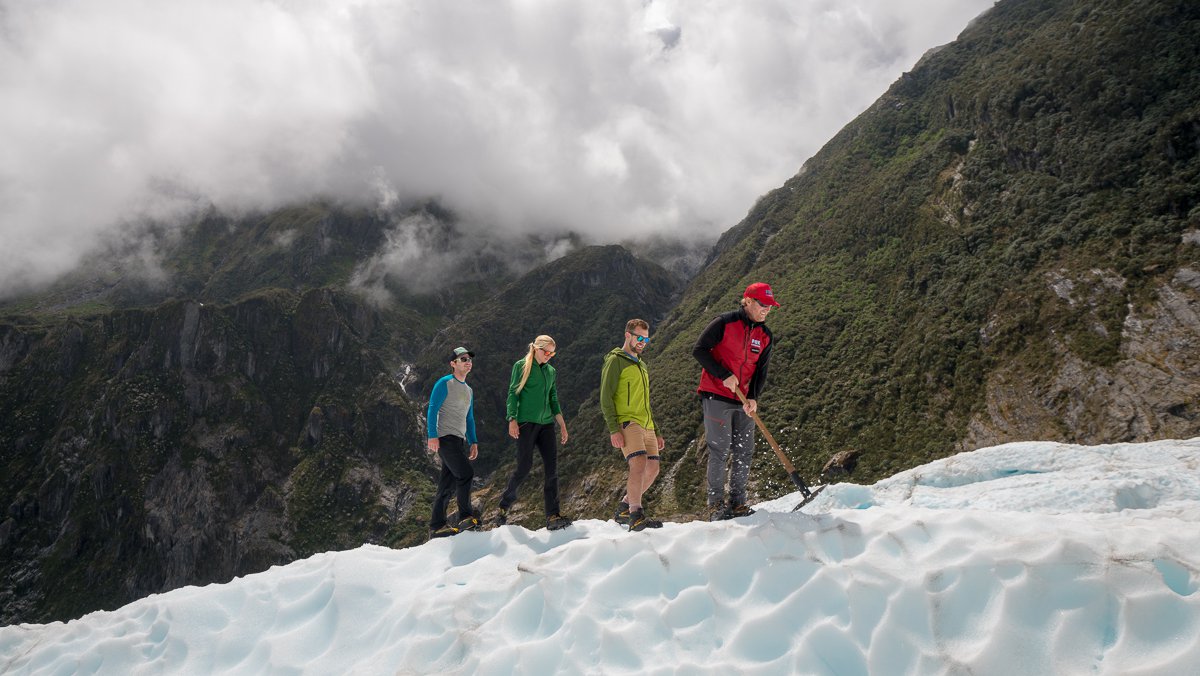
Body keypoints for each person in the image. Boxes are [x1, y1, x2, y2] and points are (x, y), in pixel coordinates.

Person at [693, 282, 779, 521]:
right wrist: (723, 375)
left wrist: (753, 397)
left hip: (743, 401)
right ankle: (715, 506)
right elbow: (699, 350)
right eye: (763, 305)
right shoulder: (724, 322)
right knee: (720, 449)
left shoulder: (765, 336)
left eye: (770, 306)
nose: (767, 310)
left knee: (745, 450)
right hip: (716, 394)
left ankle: (738, 503)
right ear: (748, 301)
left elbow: (761, 371)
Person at [496, 335, 571, 530]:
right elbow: (513, 393)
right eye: (546, 352)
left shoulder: (551, 371)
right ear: (536, 348)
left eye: (552, 353)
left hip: (546, 425)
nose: (548, 356)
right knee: (524, 467)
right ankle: (505, 504)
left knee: (552, 469)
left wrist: (562, 424)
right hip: (525, 423)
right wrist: (511, 419)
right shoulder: (521, 366)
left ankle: (553, 515)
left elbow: (553, 398)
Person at [600, 318, 665, 532]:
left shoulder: (641, 364)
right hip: (627, 421)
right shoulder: (615, 360)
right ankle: (636, 514)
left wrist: (657, 431)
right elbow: (606, 397)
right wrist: (613, 429)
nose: (643, 342)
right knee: (638, 463)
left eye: (646, 338)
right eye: (639, 337)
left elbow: (646, 401)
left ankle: (625, 507)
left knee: (653, 468)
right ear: (628, 335)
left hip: (647, 424)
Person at [427, 346, 480, 538]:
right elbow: (432, 409)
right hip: (445, 438)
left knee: (447, 484)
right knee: (466, 473)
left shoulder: (469, 390)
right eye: (463, 359)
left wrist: (473, 441)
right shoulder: (444, 383)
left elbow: (470, 418)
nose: (468, 362)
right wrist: (432, 435)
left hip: (459, 440)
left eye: (469, 359)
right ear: (453, 364)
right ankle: (465, 517)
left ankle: (436, 526)